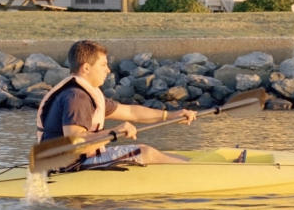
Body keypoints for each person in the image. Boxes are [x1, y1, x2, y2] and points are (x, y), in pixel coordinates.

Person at [36, 40, 197, 169]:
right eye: (103, 65)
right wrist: (115, 131)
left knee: (160, 154)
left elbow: (131, 112)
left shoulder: (86, 93)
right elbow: (76, 142)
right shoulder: (76, 97)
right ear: (86, 68)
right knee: (145, 152)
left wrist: (170, 115)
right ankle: (195, 173)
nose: (108, 70)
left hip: (75, 161)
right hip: (68, 166)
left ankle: (190, 166)